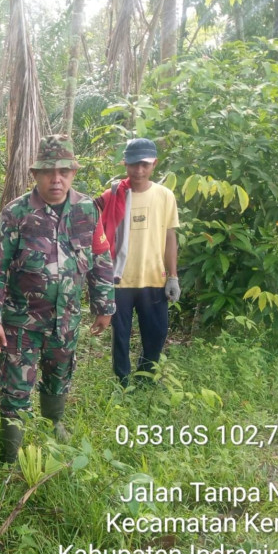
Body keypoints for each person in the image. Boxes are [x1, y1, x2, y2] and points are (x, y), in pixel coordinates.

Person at [0, 134, 116, 463]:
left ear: (72, 173)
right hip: (20, 321)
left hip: (66, 318)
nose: (56, 179)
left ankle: (55, 423)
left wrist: (104, 305)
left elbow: (100, 257)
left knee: (60, 374)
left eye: (64, 172)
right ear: (36, 174)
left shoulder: (87, 209)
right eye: (48, 172)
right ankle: (12, 455)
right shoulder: (16, 213)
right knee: (16, 388)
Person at [96, 137, 180, 387]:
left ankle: (146, 379)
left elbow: (169, 237)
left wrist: (173, 276)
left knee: (155, 334)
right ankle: (122, 382)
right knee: (119, 337)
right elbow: (96, 235)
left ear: (154, 164)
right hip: (119, 279)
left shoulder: (164, 196)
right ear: (125, 164)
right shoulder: (112, 195)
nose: (139, 170)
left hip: (153, 278)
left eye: (144, 164)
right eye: (133, 164)